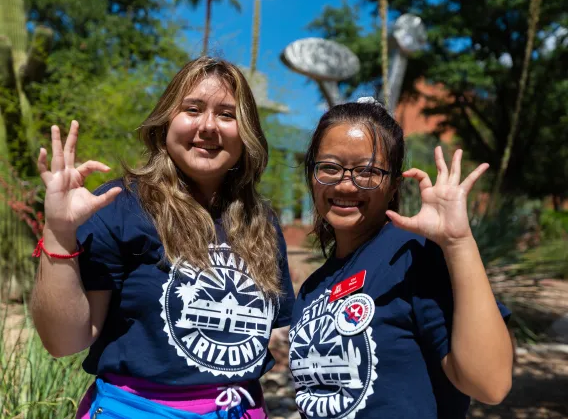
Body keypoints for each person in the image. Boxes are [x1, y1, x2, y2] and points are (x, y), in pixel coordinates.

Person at [31, 57, 295, 419]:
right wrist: (59, 233)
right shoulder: (120, 207)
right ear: (166, 122)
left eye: (227, 115)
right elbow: (63, 342)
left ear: (247, 133)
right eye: (193, 109)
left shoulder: (260, 222)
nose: (208, 126)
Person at [288, 98, 513, 418]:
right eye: (329, 167)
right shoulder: (312, 288)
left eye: (367, 171)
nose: (345, 184)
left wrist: (458, 242)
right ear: (312, 176)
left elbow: (489, 384)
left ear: (394, 183)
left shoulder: (415, 256)